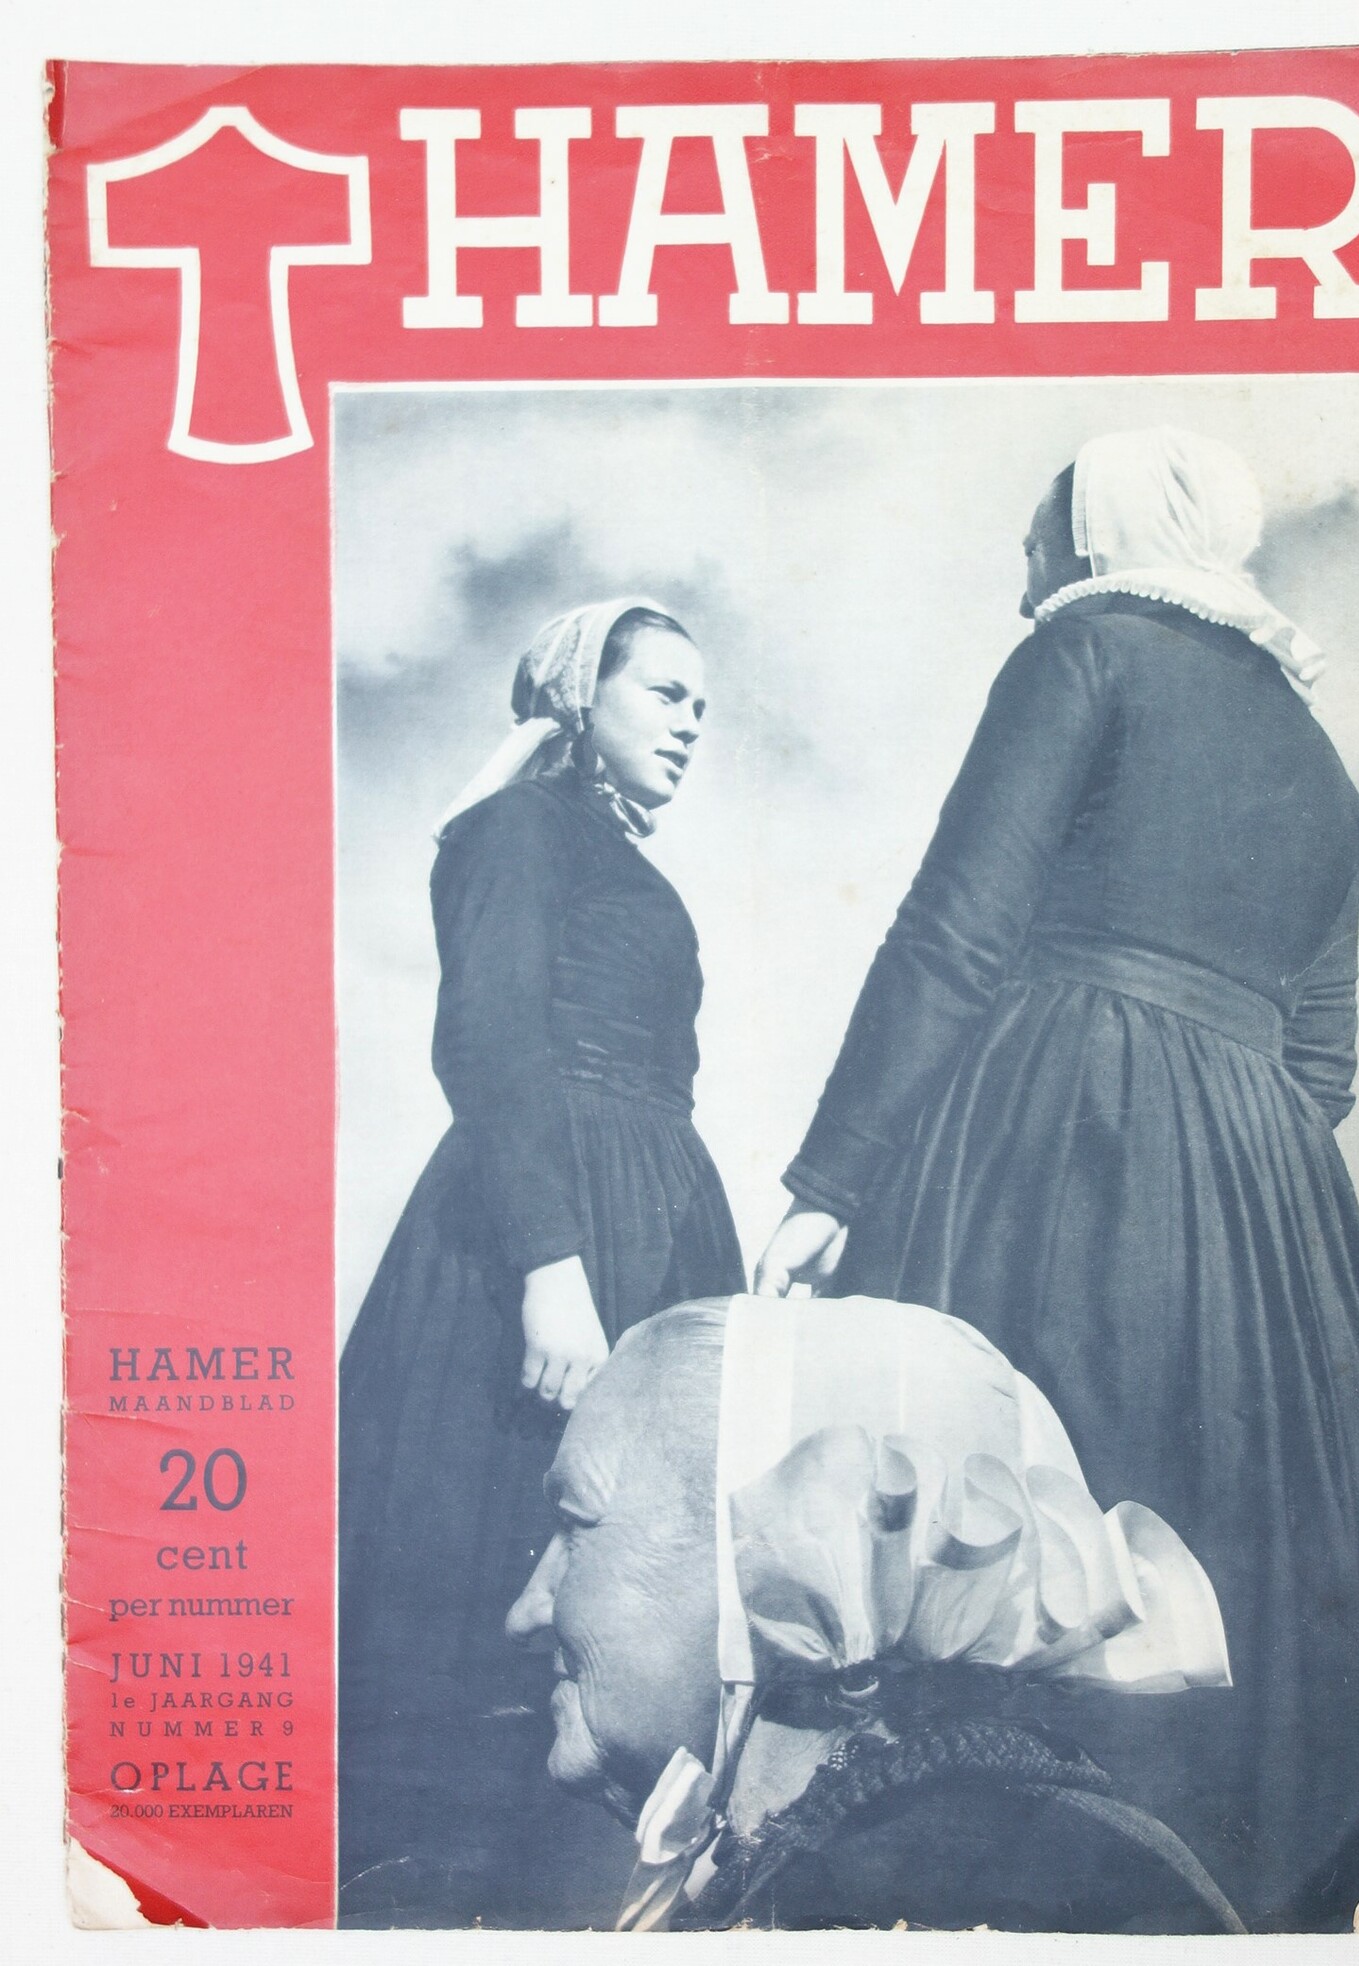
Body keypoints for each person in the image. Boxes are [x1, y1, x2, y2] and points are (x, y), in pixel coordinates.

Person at [754, 428, 1359, 1931]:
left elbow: (955, 929)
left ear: (1101, 529)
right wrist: (1229, 1182)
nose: (1025, 581)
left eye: (1036, 544)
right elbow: (1324, 1067)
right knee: (1236, 1561)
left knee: (995, 1531)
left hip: (1059, 1130)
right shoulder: (1326, 768)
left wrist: (834, 1175)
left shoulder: (1084, 656)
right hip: (1267, 1197)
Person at [338, 599, 745, 1928]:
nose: (692, 723)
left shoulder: (615, 854)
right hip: (540, 1234)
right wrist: (548, 1265)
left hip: (650, 1225)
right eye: (666, 693)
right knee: (483, 1576)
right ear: (581, 696)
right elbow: (489, 1038)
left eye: (702, 703)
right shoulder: (516, 828)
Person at [506, 1295, 1248, 1933]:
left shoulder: (946, 1896)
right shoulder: (911, 1858)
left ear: (794, 1556)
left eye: (576, 1525)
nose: (525, 1612)